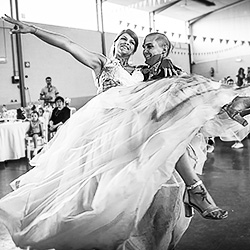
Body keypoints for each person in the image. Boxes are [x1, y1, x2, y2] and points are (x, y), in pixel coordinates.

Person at [2, 15, 250, 250]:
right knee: (92, 194)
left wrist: (168, 65)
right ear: (115, 43)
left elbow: (164, 86)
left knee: (178, 102)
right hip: (104, 127)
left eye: (133, 42)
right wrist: (33, 30)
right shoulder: (102, 63)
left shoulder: (140, 73)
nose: (129, 43)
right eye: (124, 39)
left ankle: (229, 104)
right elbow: (67, 43)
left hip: (133, 128)